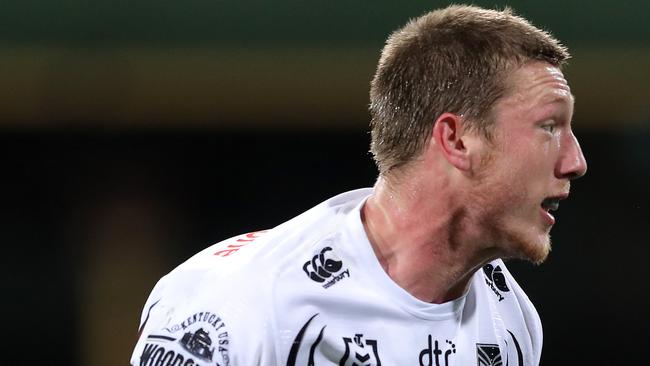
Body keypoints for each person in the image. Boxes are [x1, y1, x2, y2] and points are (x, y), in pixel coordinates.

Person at [131, 5, 587, 366]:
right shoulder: (234, 308)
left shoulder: (509, 323)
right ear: (456, 139)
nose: (576, 161)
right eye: (549, 127)